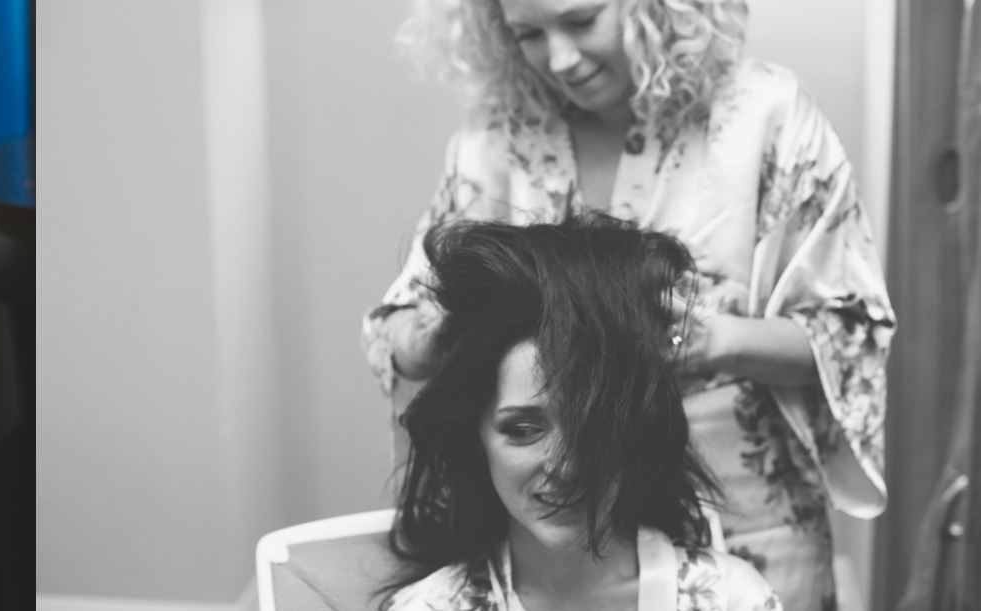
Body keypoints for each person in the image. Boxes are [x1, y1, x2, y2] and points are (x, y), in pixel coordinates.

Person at [367, 1, 893, 608]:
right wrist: (447, 336)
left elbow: (852, 333)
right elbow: (394, 331)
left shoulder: (764, 116)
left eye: (582, 20)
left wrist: (717, 342)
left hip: (748, 518)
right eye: (529, 34)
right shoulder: (498, 135)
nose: (560, 59)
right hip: (549, 546)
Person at [381, 216, 781, 611]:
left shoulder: (732, 599)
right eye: (523, 429)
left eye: (593, 422)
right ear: (475, 436)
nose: (567, 466)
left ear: (635, 426)